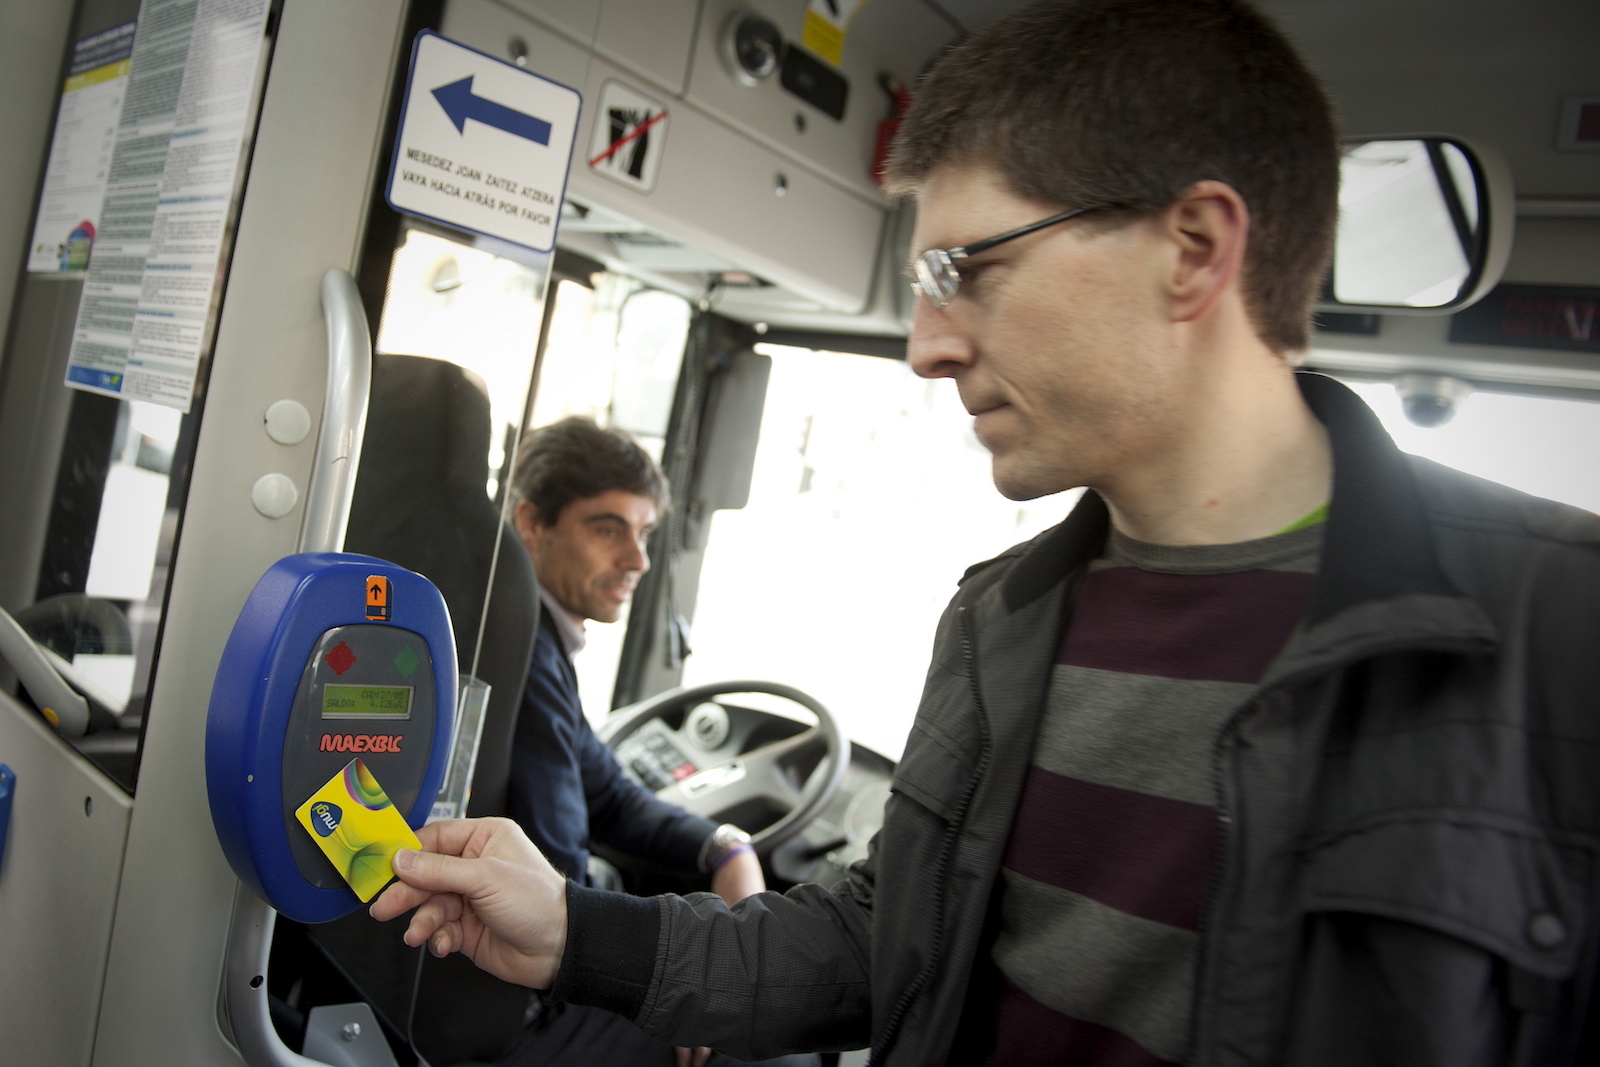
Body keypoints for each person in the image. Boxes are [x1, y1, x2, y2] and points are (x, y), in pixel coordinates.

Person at [375, 2, 1600, 1065]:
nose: (926, 345)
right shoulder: (999, 616)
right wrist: (577, 928)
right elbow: (880, 940)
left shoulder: (1559, 629)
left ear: (1194, 248)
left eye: (967, 267)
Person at [496, 416, 810, 1067]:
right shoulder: (517, 654)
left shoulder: (535, 639)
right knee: (774, 1047)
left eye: (644, 533)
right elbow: (558, 883)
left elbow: (607, 795)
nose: (637, 559)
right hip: (514, 1016)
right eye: (608, 528)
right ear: (532, 522)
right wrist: (678, 975)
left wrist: (723, 843)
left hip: (517, 983)